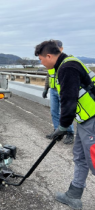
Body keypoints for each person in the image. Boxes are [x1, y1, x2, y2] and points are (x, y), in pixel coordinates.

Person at [35, 40, 95, 210]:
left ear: (48, 56)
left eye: (41, 59)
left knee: (94, 160)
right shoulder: (68, 63)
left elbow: (69, 100)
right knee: (80, 155)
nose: (41, 63)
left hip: (93, 119)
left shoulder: (67, 68)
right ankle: (74, 195)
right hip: (86, 120)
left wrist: (62, 127)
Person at [42, 40, 75, 144]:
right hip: (53, 90)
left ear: (61, 48)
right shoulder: (51, 62)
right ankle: (57, 131)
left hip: (63, 91)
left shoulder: (66, 61)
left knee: (65, 112)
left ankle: (70, 133)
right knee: (54, 112)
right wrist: (46, 88)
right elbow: (49, 76)